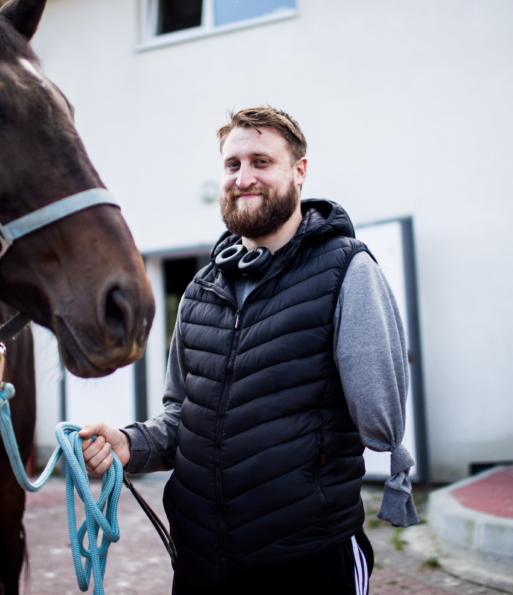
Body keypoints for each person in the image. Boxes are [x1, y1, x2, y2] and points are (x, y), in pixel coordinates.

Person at [79, 106, 418, 595]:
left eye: (262, 161)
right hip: (199, 561)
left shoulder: (347, 270)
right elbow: (182, 417)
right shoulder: (200, 290)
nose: (244, 177)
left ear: (299, 171)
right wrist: (131, 444)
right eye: (232, 164)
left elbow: (379, 418)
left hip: (308, 561)